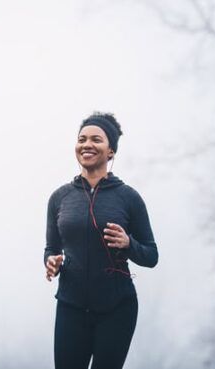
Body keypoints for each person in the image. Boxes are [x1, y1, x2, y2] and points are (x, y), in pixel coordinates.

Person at [44, 111, 158, 369]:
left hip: (117, 308)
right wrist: (51, 262)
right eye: (82, 139)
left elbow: (151, 255)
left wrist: (129, 244)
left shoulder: (129, 198)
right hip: (70, 306)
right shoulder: (60, 198)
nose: (87, 144)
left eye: (96, 139)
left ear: (111, 152)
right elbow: (51, 248)